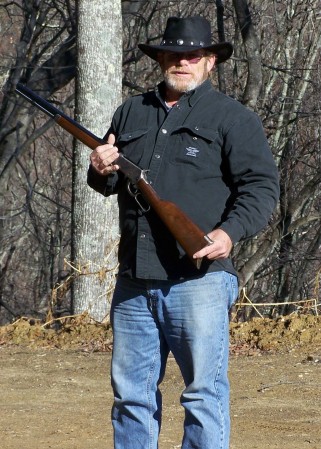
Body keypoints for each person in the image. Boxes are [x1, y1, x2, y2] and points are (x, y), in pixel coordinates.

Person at [87, 15, 279, 449]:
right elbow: (109, 180)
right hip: (134, 280)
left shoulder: (233, 118)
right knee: (131, 398)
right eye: (173, 54)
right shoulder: (131, 111)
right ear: (160, 59)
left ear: (210, 61)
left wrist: (228, 234)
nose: (182, 62)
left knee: (202, 394)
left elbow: (262, 187)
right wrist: (99, 169)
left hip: (200, 280)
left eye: (192, 55)